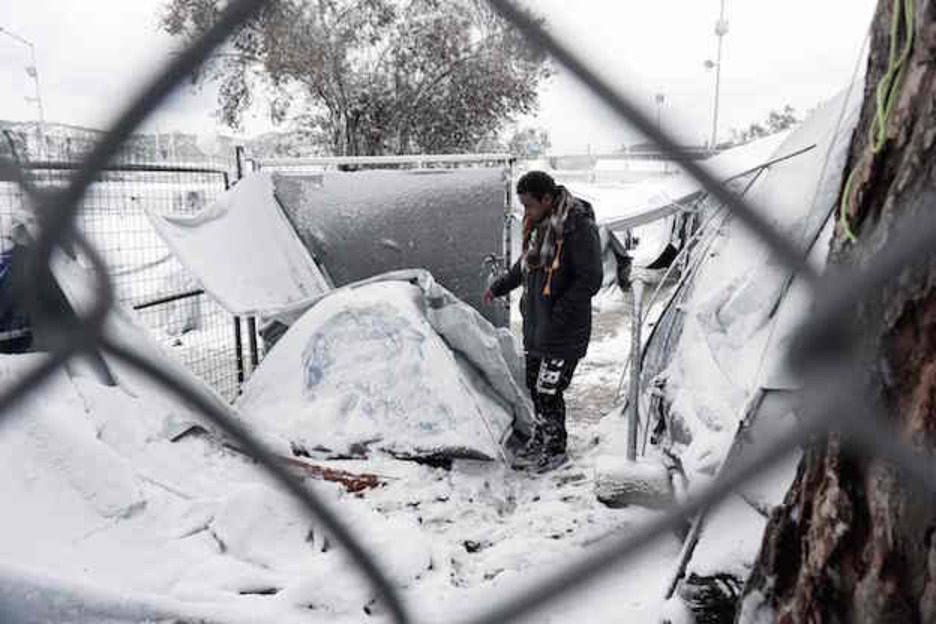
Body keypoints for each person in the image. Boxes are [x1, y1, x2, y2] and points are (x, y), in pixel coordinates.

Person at [484, 171, 603, 472]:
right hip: (538, 328)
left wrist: (559, 313)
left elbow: (591, 278)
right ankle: (541, 438)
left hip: (562, 331)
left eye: (530, 205)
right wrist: (499, 286)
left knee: (549, 390)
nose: (526, 212)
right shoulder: (539, 226)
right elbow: (525, 266)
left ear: (547, 199)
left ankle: (556, 448)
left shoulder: (577, 227)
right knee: (535, 387)